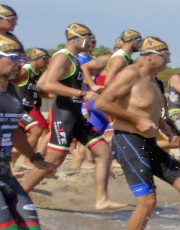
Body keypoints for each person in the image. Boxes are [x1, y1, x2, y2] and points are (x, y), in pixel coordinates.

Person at [96, 37, 180, 230]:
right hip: (128, 139)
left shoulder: (155, 81)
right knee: (147, 201)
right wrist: (136, 120)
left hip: (149, 142)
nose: (169, 60)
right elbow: (103, 102)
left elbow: (151, 111)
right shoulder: (130, 74)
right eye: (165, 56)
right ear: (148, 56)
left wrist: (166, 128)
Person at [20, 24, 126, 211]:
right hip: (65, 115)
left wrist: (89, 89)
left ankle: (102, 199)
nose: (92, 41)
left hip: (76, 115)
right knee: (53, 160)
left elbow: (43, 83)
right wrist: (82, 93)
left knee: (104, 152)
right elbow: (50, 84)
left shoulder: (74, 59)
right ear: (75, 39)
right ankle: (20, 195)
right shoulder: (63, 56)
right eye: (89, 38)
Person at [0, 37, 52, 230]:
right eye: (13, 57)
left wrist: (33, 156)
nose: (19, 63)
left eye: (21, 58)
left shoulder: (12, 92)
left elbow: (15, 132)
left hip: (5, 175)